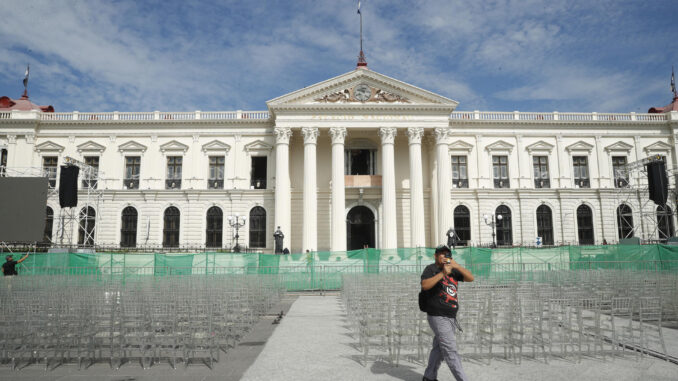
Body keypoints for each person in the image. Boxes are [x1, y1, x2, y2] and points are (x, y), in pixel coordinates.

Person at [420, 244, 474, 381]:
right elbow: (425, 285)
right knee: (450, 350)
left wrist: (457, 266)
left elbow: (470, 278)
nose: (445, 256)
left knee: (439, 349)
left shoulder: (454, 270)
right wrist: (443, 273)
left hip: (451, 316)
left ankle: (429, 377)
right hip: (437, 315)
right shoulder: (431, 269)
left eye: (447, 254)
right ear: (436, 256)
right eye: (441, 254)